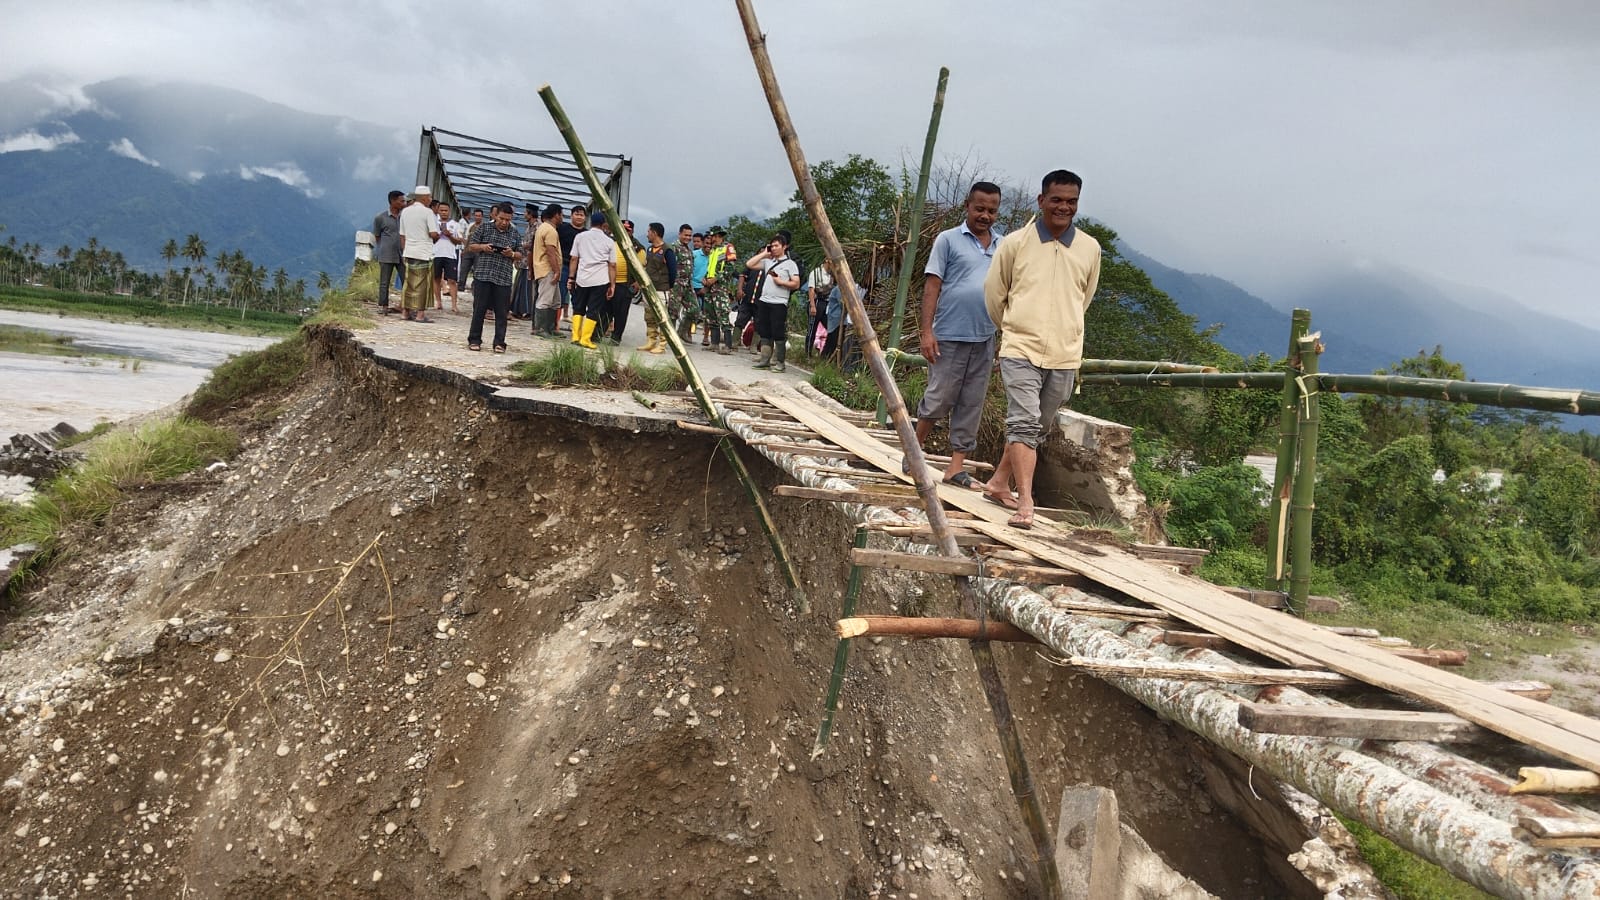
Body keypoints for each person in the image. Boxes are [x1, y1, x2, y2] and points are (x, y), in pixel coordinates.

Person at [982, 170, 1101, 530]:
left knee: (1037, 428)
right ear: (1041, 200)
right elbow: (993, 294)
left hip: (1065, 354)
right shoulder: (1015, 244)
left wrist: (1067, 330)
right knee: (1022, 422)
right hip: (1020, 348)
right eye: (1057, 200)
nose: (1063, 207)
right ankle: (1026, 503)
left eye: (1071, 201)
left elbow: (1085, 298)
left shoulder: (1090, 249)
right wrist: (1014, 329)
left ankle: (998, 482)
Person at [909, 181, 1004, 489]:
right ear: (968, 206)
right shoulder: (947, 240)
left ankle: (956, 468)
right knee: (939, 396)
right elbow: (932, 287)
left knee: (972, 402)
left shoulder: (1004, 247)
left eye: (991, 210)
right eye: (980, 209)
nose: (985, 216)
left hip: (985, 336)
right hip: (948, 332)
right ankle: (913, 450)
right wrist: (927, 331)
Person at [463, 202, 522, 353]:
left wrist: (512, 254)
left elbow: (520, 254)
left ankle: (499, 342)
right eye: (501, 218)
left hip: (503, 277)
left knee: (502, 313)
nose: (504, 222)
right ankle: (474, 339)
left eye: (507, 220)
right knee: (479, 310)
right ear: (495, 216)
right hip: (483, 274)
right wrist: (483, 247)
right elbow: (471, 246)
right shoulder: (484, 227)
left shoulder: (514, 233)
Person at [747, 234, 801, 373]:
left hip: (779, 302)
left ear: (784, 247)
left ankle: (780, 363)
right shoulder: (768, 262)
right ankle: (765, 360)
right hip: (764, 300)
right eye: (772, 245)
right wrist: (764, 253)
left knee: (778, 332)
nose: (774, 248)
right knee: (764, 331)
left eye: (777, 245)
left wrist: (781, 282)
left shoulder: (790, 264)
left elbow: (796, 283)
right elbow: (749, 264)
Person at [567, 211, 616, 350]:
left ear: (590, 222)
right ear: (604, 224)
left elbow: (574, 258)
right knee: (593, 309)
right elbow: (612, 265)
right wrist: (612, 285)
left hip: (582, 277)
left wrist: (571, 277)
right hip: (600, 279)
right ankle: (585, 339)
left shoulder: (580, 237)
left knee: (579, 307)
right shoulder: (609, 241)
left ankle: (575, 336)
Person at [398, 185, 441, 322]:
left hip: (409, 251)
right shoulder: (427, 212)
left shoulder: (405, 212)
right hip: (423, 252)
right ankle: (420, 315)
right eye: (429, 197)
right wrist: (437, 236)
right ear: (424, 198)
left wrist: (405, 250)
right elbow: (433, 233)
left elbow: (402, 235)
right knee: (423, 284)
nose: (430, 199)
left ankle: (405, 312)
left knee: (408, 283)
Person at [638, 222, 678, 353]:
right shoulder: (649, 249)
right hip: (649, 288)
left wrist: (669, 286)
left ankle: (662, 344)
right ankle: (651, 340)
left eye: (649, 231)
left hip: (662, 289)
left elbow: (673, 271)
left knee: (662, 316)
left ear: (654, 233)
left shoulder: (667, 250)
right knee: (649, 316)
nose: (647, 234)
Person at [702, 227, 737, 353]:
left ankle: (728, 346)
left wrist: (716, 279)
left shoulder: (728, 248)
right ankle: (714, 343)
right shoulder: (713, 250)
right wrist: (706, 278)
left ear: (719, 236)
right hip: (710, 286)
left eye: (714, 237)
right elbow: (710, 267)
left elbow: (730, 268)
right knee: (710, 314)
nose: (712, 239)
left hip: (720, 287)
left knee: (722, 314)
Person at [530, 204, 564, 337]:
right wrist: (556, 271)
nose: (562, 218)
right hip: (547, 269)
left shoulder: (542, 227)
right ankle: (541, 328)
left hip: (542, 268)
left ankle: (551, 327)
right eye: (561, 214)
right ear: (556, 215)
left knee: (555, 300)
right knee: (545, 299)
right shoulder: (550, 231)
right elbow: (551, 252)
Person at [372, 190, 405, 314]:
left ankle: (406, 306)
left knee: (406, 281)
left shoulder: (404, 217)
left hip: (402, 254)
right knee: (384, 281)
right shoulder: (381, 217)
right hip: (387, 254)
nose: (404, 203)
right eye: (401, 201)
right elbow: (377, 236)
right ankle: (383, 306)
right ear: (393, 201)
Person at [556, 205, 588, 331]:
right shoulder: (562, 229)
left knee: (578, 299)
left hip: (580, 269)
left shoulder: (586, 234)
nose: (579, 217)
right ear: (571, 215)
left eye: (582, 215)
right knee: (559, 296)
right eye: (577, 214)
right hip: (563, 265)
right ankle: (556, 325)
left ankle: (577, 327)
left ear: (585, 218)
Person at [432, 200, 464, 313]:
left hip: (450, 255)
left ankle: (454, 304)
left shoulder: (455, 225)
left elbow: (460, 241)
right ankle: (438, 302)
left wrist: (450, 236)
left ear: (449, 211)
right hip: (436, 254)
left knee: (452, 280)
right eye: (441, 210)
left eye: (446, 210)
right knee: (436, 278)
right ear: (438, 211)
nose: (444, 212)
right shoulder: (433, 223)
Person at [510, 204, 538, 319]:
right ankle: (518, 310)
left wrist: (526, 246)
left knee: (528, 289)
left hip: (531, 262)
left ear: (530, 214)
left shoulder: (538, 227)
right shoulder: (528, 227)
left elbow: (536, 244)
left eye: (526, 213)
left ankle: (529, 312)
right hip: (524, 261)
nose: (524, 215)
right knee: (519, 287)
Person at [668, 224, 697, 340]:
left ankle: (682, 331)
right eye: (686, 235)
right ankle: (670, 337)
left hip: (687, 284)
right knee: (673, 311)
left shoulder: (688, 250)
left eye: (690, 236)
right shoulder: (674, 247)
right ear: (679, 234)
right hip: (676, 284)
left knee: (694, 309)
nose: (688, 238)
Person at [689, 231, 710, 343]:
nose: (708, 246)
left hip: (707, 287)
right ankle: (688, 332)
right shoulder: (694, 254)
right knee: (692, 311)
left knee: (708, 313)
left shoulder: (714, 256)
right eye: (706, 243)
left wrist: (706, 287)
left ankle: (706, 337)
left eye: (710, 243)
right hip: (693, 285)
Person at [457, 208, 483, 296]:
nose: (477, 217)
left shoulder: (484, 226)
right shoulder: (471, 225)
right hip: (468, 251)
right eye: (476, 215)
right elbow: (467, 238)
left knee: (477, 270)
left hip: (478, 252)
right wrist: (464, 250)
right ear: (473, 216)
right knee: (464, 269)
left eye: (479, 216)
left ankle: (475, 288)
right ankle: (461, 286)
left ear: (482, 217)